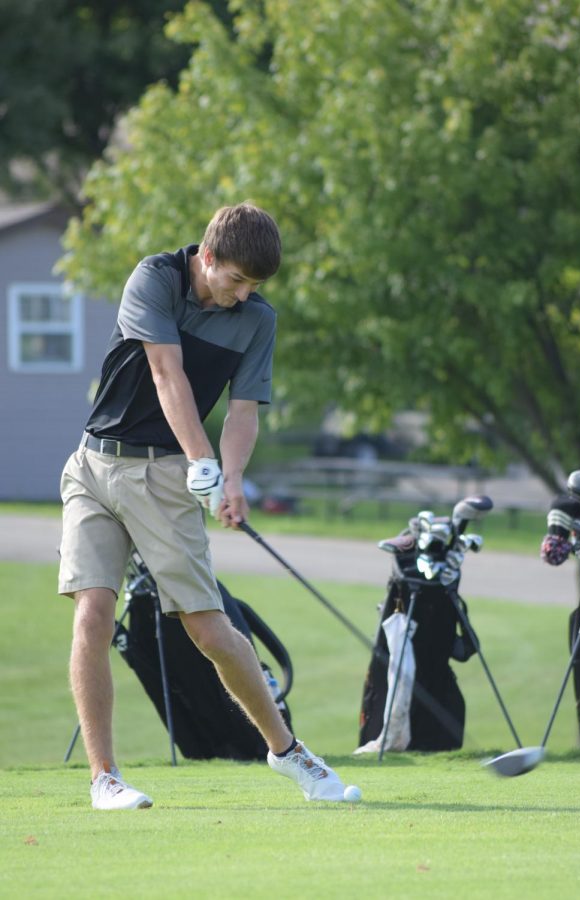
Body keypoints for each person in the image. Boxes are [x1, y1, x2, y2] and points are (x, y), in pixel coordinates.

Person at [59, 203, 360, 809]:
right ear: (209, 256)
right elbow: (166, 373)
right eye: (236, 280)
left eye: (255, 286)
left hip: (164, 480)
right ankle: (105, 778)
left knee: (209, 628)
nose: (244, 295)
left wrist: (232, 480)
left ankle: (288, 752)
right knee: (92, 612)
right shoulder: (155, 278)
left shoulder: (257, 321)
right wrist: (202, 459)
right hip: (94, 466)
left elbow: (244, 411)